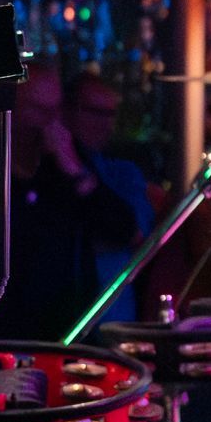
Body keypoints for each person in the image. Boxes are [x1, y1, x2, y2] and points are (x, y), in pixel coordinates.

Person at [0, 61, 139, 341]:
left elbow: (124, 230)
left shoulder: (66, 166)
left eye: (55, 111)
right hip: (6, 330)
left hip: (68, 334)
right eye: (38, 110)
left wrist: (74, 171)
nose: (49, 123)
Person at [66, 71, 153, 324]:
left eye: (110, 114)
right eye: (94, 112)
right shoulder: (48, 169)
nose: (105, 123)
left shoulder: (122, 173)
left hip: (110, 318)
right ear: (67, 112)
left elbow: (135, 236)